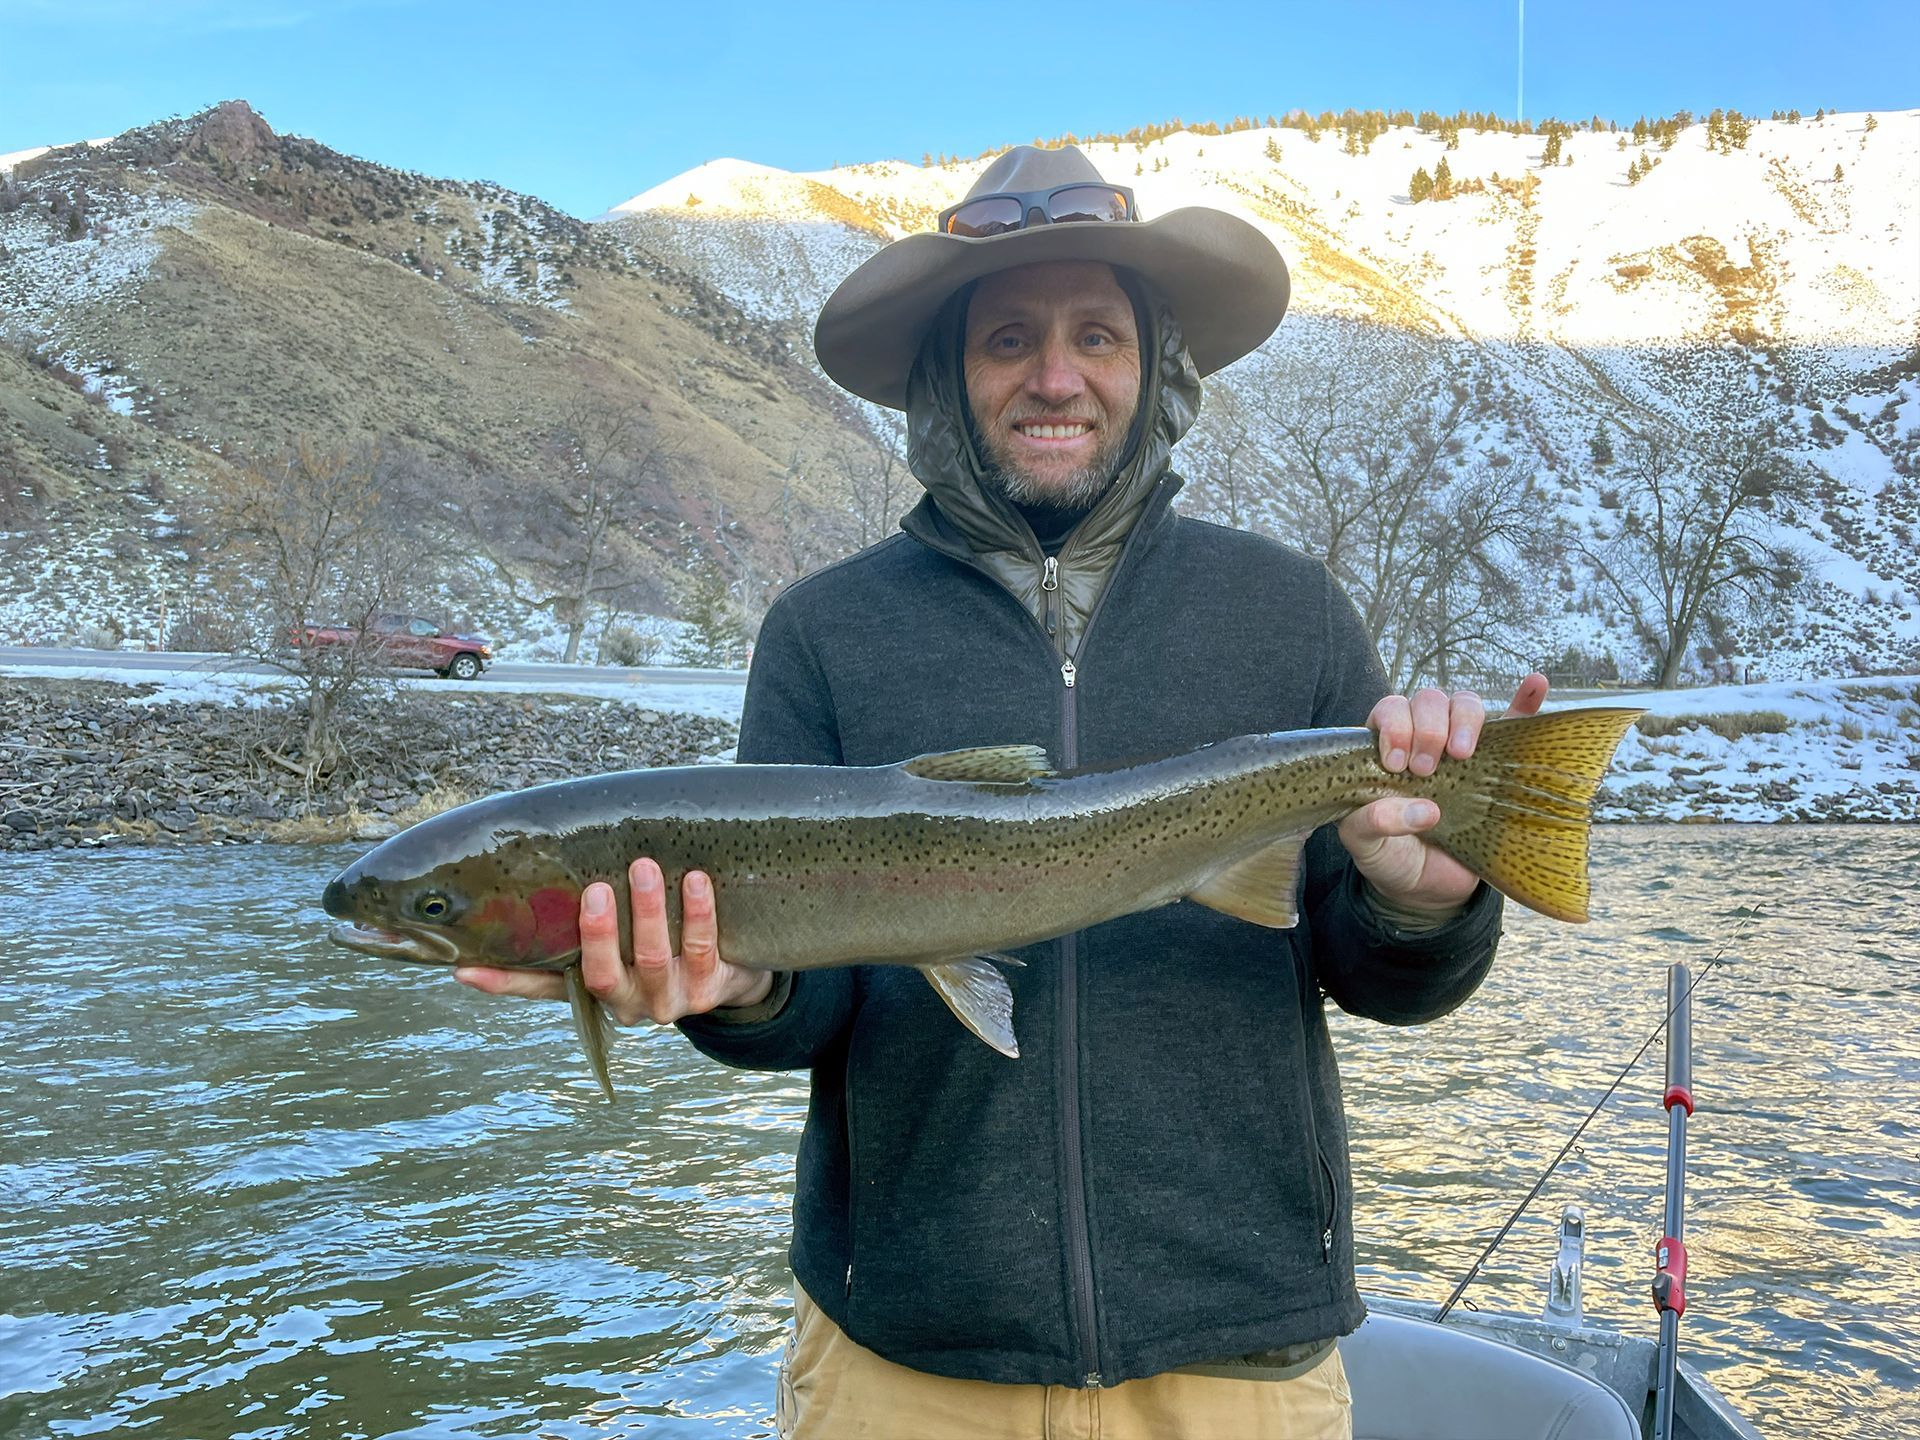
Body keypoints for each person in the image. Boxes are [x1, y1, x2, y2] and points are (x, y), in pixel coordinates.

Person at [456, 145, 1547, 1439]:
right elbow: (809, 1012)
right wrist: (737, 990)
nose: (1056, 376)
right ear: (946, 378)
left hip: (1239, 1351)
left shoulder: (1288, 610)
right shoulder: (825, 631)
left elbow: (1385, 985)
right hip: (903, 1362)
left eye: (1097, 334)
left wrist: (1423, 902)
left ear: (1155, 366)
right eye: (1009, 339)